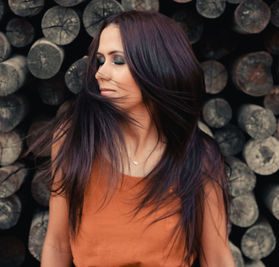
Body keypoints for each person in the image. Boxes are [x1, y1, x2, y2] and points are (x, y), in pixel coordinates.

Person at [37, 10, 235, 267]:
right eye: (100, 60)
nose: (100, 73)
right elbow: (57, 245)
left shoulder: (199, 157)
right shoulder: (75, 140)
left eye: (118, 60)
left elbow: (217, 259)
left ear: (156, 65)